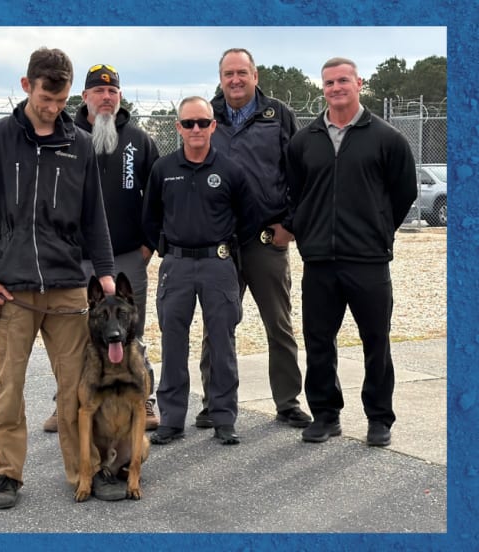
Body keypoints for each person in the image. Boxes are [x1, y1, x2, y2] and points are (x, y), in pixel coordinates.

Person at [0, 47, 117, 509]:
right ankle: (7, 474)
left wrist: (107, 272)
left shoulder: (82, 144)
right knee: (9, 388)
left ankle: (84, 472)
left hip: (68, 285)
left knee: (76, 389)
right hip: (11, 289)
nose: (52, 107)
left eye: (60, 99)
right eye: (45, 98)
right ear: (26, 85)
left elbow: (95, 216)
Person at [284, 57, 416, 446]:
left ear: (359, 83)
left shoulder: (387, 138)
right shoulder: (303, 140)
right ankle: (326, 414)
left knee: (376, 340)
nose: (336, 88)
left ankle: (379, 419)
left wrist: (376, 231)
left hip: (368, 261)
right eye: (329, 82)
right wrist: (308, 231)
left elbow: (403, 193)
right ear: (321, 88)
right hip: (320, 261)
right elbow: (295, 193)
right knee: (319, 340)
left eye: (343, 80)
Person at [194, 48, 312, 430]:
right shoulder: (206, 117)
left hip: (266, 239)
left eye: (242, 73)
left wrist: (290, 224)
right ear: (220, 77)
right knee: (218, 325)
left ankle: (288, 401)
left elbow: (301, 174)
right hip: (221, 244)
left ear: (255, 75)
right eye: (228, 74)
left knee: (278, 325)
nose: (235, 80)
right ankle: (214, 402)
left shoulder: (277, 116)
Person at [40, 63, 160, 433]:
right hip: (76, 260)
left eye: (113, 92)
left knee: (130, 331)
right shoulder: (64, 137)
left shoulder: (139, 141)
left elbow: (157, 199)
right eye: (99, 91)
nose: (106, 98)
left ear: (119, 97)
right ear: (85, 96)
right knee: (74, 338)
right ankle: (69, 403)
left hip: (126, 258)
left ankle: (145, 399)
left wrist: (147, 246)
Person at [142, 96, 254, 446]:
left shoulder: (231, 170)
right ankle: (172, 419)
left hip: (217, 265)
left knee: (222, 342)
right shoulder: (163, 169)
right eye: (188, 123)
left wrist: (227, 254)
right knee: (173, 343)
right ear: (178, 127)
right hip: (175, 265)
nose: (195, 129)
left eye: (202, 123)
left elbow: (248, 218)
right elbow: (149, 218)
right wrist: (165, 250)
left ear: (212, 126)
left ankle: (223, 418)